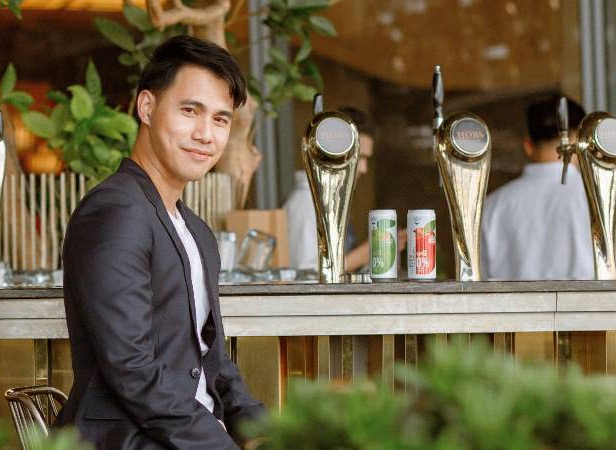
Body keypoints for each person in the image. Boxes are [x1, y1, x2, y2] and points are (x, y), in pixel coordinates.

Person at [55, 36, 265, 449]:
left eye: (220, 119)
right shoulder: (116, 210)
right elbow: (130, 367)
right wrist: (215, 442)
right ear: (147, 107)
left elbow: (214, 363)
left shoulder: (195, 230)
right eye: (190, 111)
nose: (205, 134)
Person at [480, 95, 616, 280]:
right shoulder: (604, 194)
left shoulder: (493, 205)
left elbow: (480, 282)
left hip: (513, 300)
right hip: (591, 299)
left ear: (528, 146)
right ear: (582, 142)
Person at [284, 107, 405, 271]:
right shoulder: (306, 202)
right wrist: (364, 253)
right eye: (358, 157)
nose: (364, 169)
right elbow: (303, 276)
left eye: (366, 159)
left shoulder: (331, 200)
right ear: (334, 152)